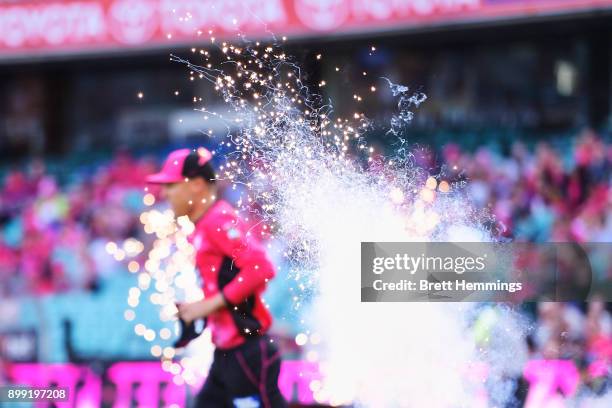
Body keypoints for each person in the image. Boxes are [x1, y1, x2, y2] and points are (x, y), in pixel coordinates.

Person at [147, 148, 287, 408]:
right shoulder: (204, 225)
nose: (165, 193)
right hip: (228, 354)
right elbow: (226, 282)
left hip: (247, 353)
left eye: (171, 185)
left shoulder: (218, 220)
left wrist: (206, 306)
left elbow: (261, 268)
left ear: (198, 185)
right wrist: (197, 310)